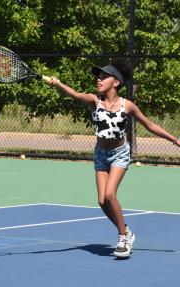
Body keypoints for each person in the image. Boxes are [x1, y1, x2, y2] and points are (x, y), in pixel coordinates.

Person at [47, 59, 180, 258]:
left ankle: (123, 238)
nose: (98, 80)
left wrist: (175, 139)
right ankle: (126, 231)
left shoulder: (127, 106)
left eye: (103, 77)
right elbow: (74, 95)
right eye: (98, 77)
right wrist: (58, 84)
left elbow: (150, 125)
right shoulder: (94, 101)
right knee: (101, 201)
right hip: (100, 153)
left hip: (119, 153)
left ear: (116, 82)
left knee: (110, 194)